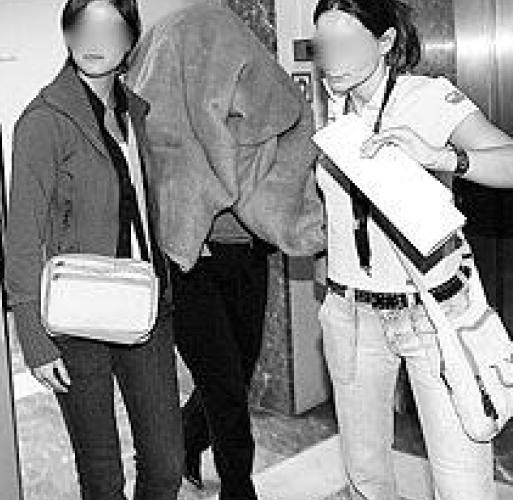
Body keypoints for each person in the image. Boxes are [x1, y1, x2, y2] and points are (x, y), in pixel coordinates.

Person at [311, 0, 513, 499]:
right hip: (350, 315)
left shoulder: (429, 97)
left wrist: (440, 156)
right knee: (366, 479)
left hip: (429, 316)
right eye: (323, 45)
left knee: (463, 487)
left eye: (346, 44)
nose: (331, 59)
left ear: (386, 41)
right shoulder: (330, 107)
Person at [126, 2, 325, 499]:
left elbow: (292, 125)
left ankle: (187, 438)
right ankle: (239, 487)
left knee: (235, 373)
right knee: (225, 388)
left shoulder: (257, 111)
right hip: (189, 263)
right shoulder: (160, 124)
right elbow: (152, 188)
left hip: (247, 255)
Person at [3, 1, 183, 498]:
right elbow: (22, 234)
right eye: (82, 27)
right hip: (76, 315)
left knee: (166, 465)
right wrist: (33, 337)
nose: (94, 40)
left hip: (143, 305)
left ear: (130, 40)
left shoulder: (135, 112)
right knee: (102, 477)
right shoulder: (44, 120)